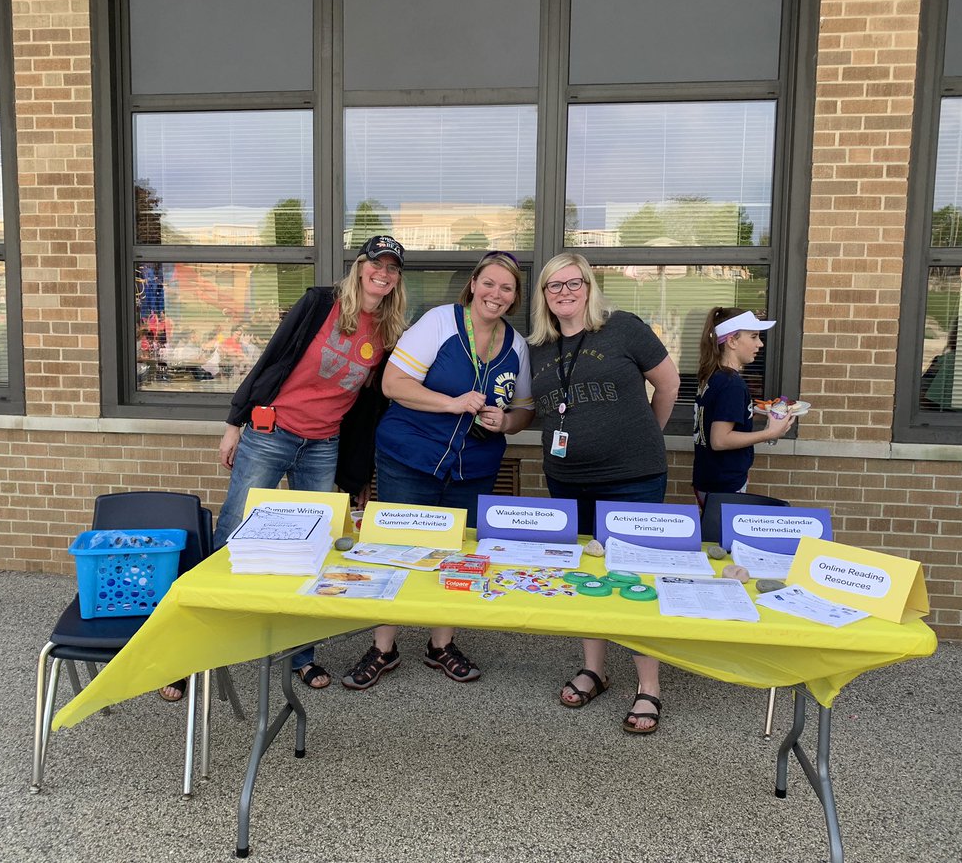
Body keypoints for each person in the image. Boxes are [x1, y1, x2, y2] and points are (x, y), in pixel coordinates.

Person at [197, 234, 407, 697]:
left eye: (393, 268)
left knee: (314, 546)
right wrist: (235, 423)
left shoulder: (388, 332)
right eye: (378, 263)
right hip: (272, 433)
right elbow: (271, 359)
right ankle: (198, 649)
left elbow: (368, 409)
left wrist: (355, 478)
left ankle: (301, 655)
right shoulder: (319, 304)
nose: (384, 273)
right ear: (360, 267)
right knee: (232, 531)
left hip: (323, 445)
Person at [342, 252, 535, 690]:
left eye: (507, 288)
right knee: (395, 548)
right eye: (489, 283)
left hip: (473, 468)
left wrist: (505, 422)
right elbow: (393, 385)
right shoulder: (440, 322)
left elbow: (525, 408)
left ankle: (440, 645)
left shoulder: (517, 345)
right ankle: (383, 647)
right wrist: (451, 403)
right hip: (411, 456)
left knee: (459, 554)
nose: (496, 294)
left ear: (515, 297)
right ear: (473, 284)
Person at [528, 252, 680, 735]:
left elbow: (669, 383)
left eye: (574, 283)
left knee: (634, 576)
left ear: (590, 287)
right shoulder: (538, 346)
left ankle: (649, 686)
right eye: (554, 286)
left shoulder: (623, 327)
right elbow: (537, 409)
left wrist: (647, 437)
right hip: (568, 479)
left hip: (632, 476)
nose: (565, 292)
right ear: (544, 296)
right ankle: (595, 668)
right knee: (587, 572)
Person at [691, 307, 794, 509]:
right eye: (754, 336)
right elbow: (720, 440)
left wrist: (756, 413)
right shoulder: (732, 383)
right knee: (720, 539)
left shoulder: (713, 376)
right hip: (724, 484)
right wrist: (770, 433)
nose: (760, 343)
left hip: (708, 478)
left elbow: (716, 417)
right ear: (731, 341)